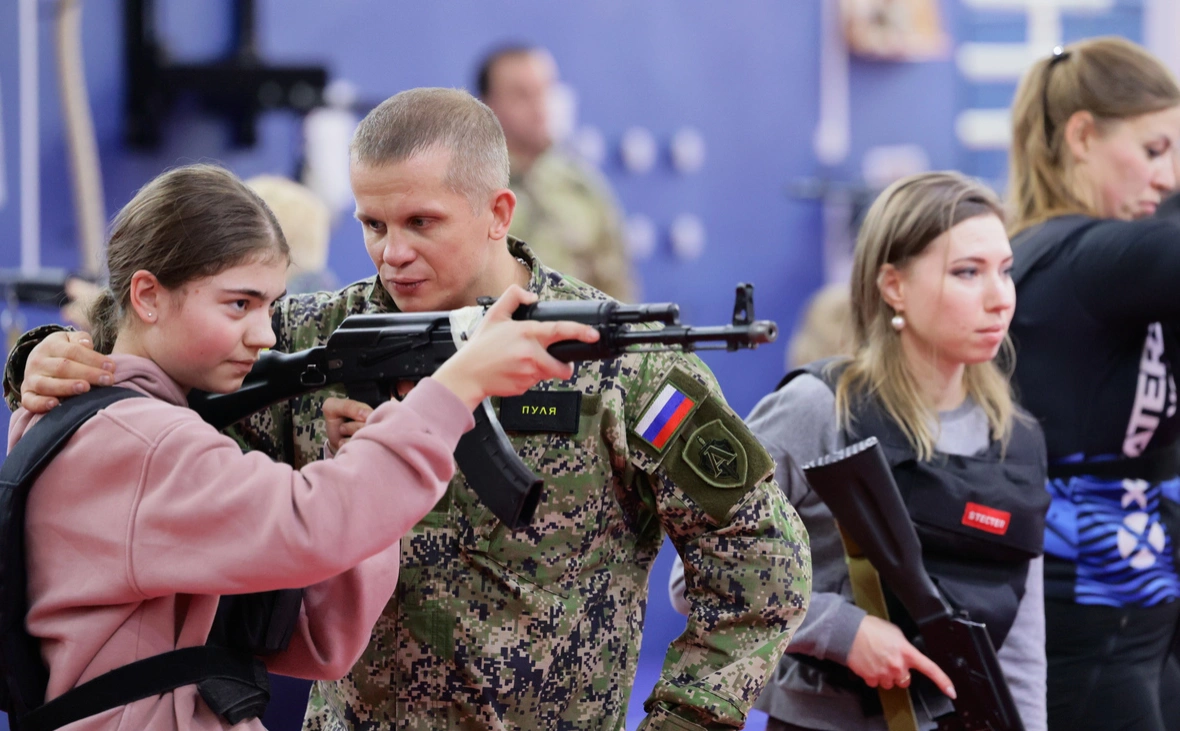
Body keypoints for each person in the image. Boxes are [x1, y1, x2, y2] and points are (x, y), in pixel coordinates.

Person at [6, 88, 811, 731]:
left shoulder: (618, 365)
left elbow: (763, 561)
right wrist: (39, 354)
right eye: (372, 222)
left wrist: (687, 719)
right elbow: (141, 358)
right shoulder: (308, 333)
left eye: (422, 222)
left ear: (498, 212)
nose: (392, 250)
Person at [3, 163, 600, 730]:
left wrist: (357, 463)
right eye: (239, 303)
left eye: (270, 305)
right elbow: (311, 522)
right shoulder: (140, 442)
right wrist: (456, 387)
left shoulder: (115, 423)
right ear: (148, 296)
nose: (264, 336)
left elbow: (320, 641)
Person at [671, 172, 1050, 731]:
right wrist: (842, 633)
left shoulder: (1015, 438)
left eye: (1005, 270)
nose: (1000, 298)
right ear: (893, 285)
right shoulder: (818, 410)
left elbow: (1020, 650)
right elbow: (697, 573)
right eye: (967, 272)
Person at [1006, 36, 1180, 731]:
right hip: (1090, 633)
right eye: (1153, 149)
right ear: (1082, 135)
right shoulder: (1071, 257)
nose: (1167, 176)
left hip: (1139, 622)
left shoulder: (1109, 259)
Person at [477, 45, 637, 302]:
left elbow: (616, 286)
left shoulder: (581, 186)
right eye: (521, 94)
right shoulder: (468, 185)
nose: (539, 106)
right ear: (487, 105)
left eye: (544, 91)